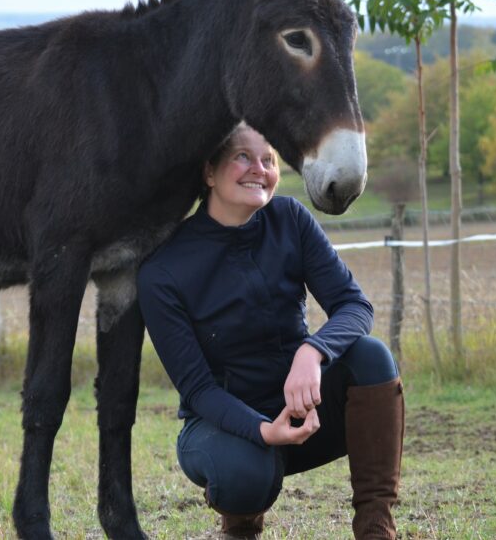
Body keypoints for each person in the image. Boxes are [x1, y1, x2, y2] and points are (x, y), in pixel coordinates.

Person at [137, 123, 404, 540]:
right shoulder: (162, 270)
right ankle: (240, 524)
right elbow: (198, 389)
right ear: (209, 172)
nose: (258, 170)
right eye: (243, 157)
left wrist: (313, 352)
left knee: (372, 358)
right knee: (246, 473)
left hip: (302, 409)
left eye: (269, 160)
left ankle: (376, 528)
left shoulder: (290, 220)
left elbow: (354, 306)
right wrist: (262, 431)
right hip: (220, 427)